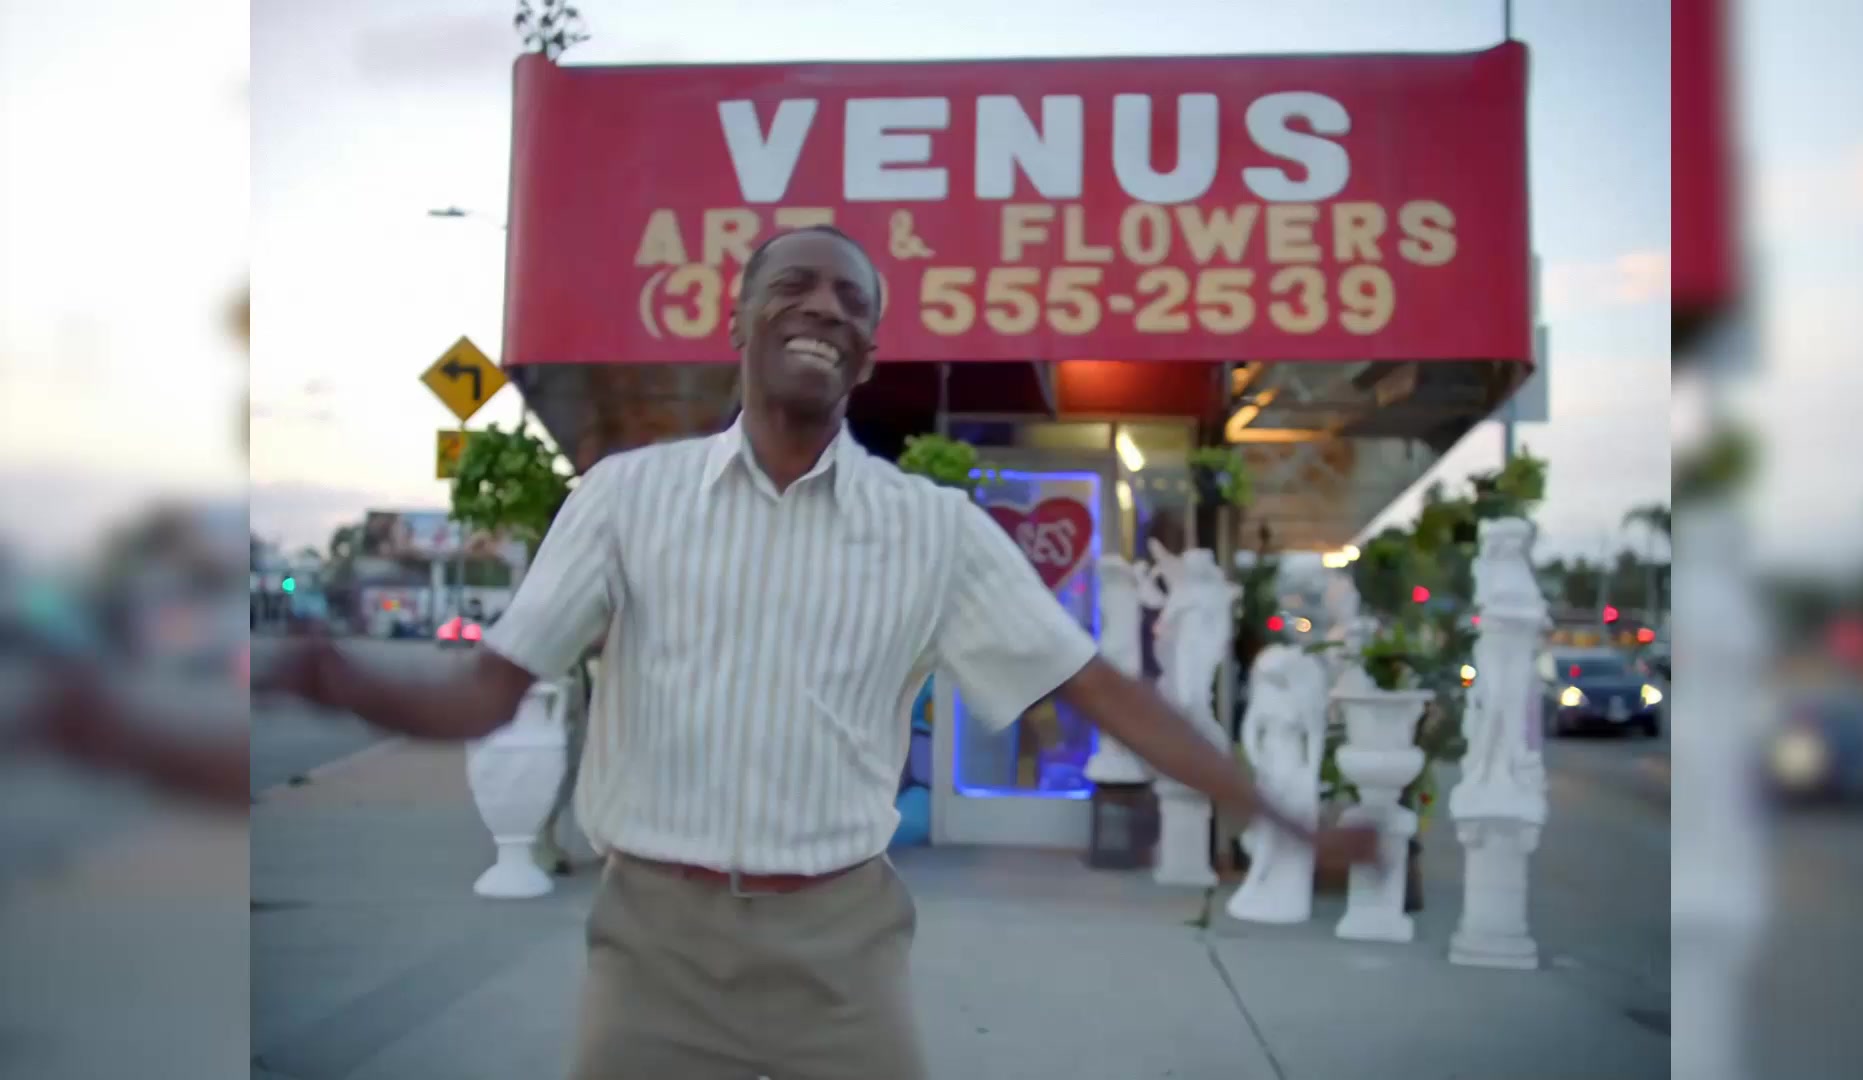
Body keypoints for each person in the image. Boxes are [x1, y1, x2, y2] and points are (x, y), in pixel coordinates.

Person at [255, 224, 1379, 1079]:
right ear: (738, 319)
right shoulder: (623, 500)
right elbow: (490, 690)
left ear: (868, 352)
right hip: (653, 949)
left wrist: (1282, 818)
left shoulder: (934, 530)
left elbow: (1101, 692)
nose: (823, 308)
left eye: (851, 300)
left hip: (843, 953)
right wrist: (347, 677)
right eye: (794, 283)